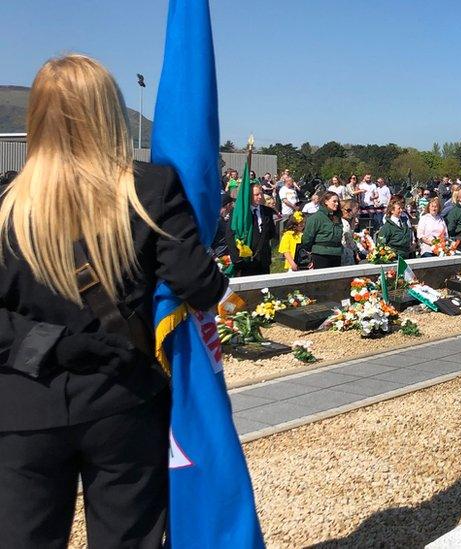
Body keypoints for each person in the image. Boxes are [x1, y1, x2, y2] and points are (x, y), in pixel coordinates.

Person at [0, 54, 228, 547]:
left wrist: (50, 346)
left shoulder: (6, 206)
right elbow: (202, 285)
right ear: (110, 111)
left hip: (22, 407)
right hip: (123, 401)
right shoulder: (149, 188)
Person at [236, 183, 278, 276]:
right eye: (256, 195)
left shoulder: (267, 211)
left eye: (261, 194)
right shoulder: (242, 213)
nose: (260, 197)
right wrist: (237, 261)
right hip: (247, 260)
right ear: (249, 195)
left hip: (263, 259)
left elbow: (271, 232)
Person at [302, 191, 344, 268]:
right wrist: (311, 250)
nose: (337, 204)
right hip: (321, 254)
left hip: (336, 253)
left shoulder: (337, 218)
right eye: (334, 201)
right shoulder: (315, 218)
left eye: (338, 201)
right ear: (326, 201)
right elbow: (307, 238)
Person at [340, 199, 359, 266]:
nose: (357, 211)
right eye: (356, 208)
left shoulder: (347, 222)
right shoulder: (345, 224)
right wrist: (356, 250)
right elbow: (349, 240)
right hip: (345, 253)